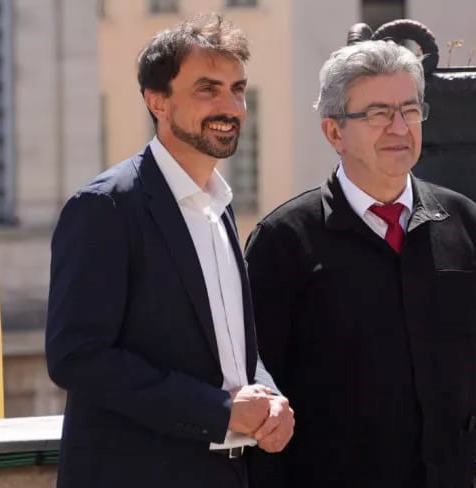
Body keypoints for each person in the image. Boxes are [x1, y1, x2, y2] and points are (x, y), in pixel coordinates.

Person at [245, 40, 476, 487]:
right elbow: (260, 401)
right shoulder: (282, 242)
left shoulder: (465, 223)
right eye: (378, 113)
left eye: (410, 110)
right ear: (334, 132)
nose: (399, 127)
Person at [45, 13, 293, 488]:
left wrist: (270, 398)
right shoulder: (106, 206)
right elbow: (77, 356)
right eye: (208, 88)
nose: (231, 106)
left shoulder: (219, 205)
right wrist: (219, 412)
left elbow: (228, 350)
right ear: (156, 101)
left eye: (237, 88)